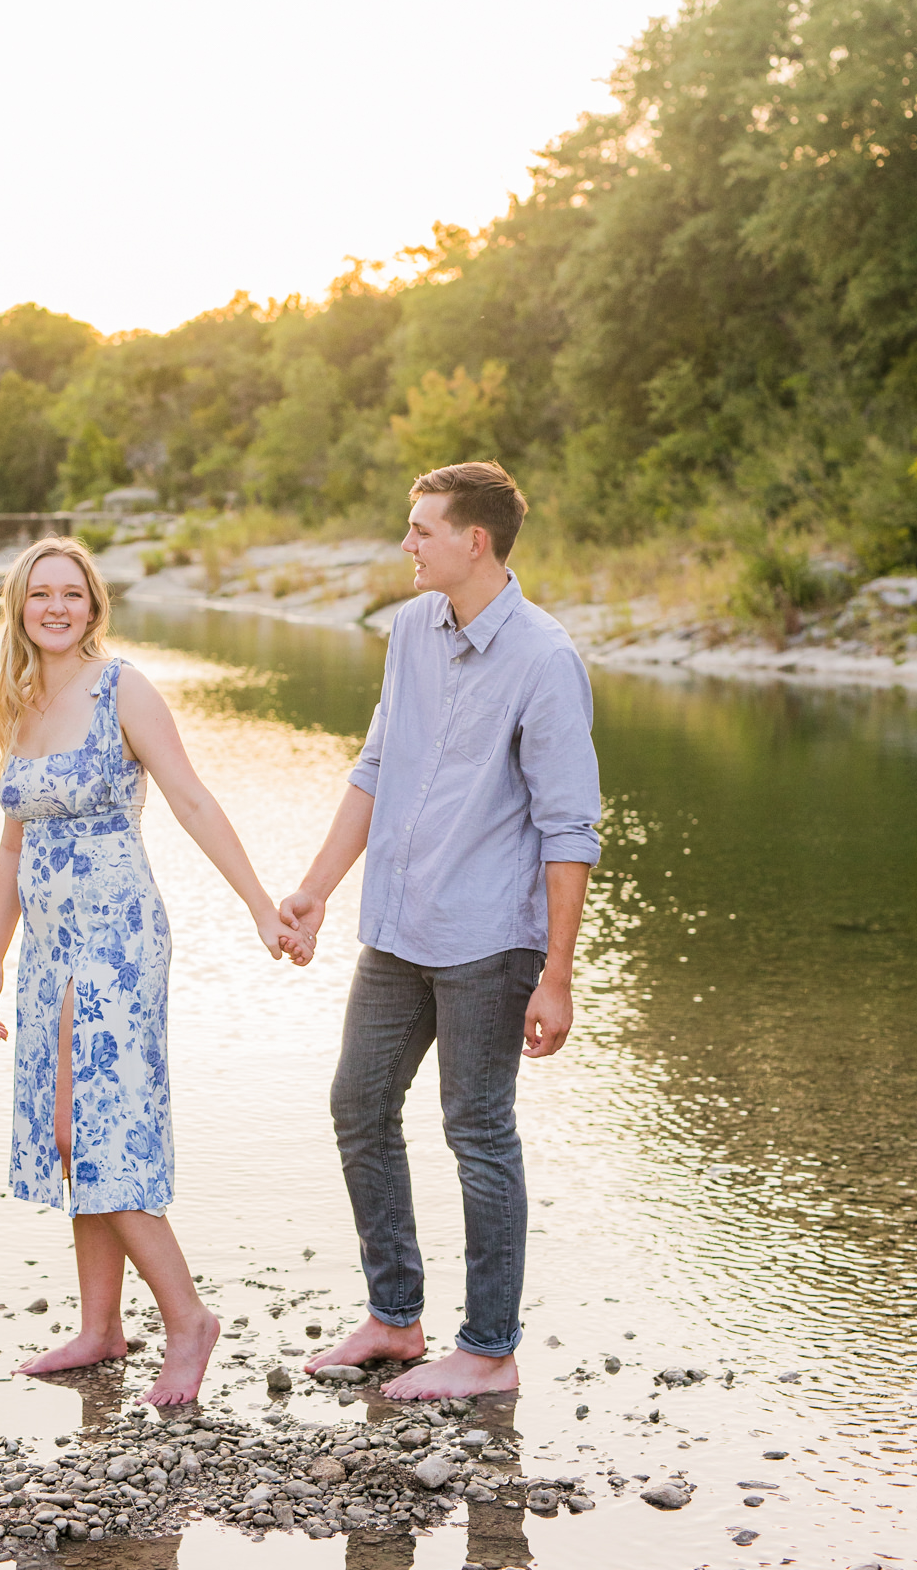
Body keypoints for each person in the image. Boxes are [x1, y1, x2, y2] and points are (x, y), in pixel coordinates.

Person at [278, 461, 601, 1400]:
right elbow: (377, 765)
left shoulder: (544, 659)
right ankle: (394, 1319)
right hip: (397, 929)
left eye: (421, 529)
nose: (405, 544)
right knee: (358, 1106)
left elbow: (568, 827)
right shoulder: (411, 629)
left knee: (478, 1132)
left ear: (475, 542)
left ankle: (490, 1350)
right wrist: (317, 888)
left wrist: (558, 973)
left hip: (488, 941)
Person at [0, 536, 288, 1406]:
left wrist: (260, 906)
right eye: (40, 594)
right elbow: (12, 845)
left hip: (114, 935)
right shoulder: (20, 701)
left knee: (91, 1126)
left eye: (71, 594)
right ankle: (100, 1328)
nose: (56, 608)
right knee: (73, 1130)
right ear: (20, 606)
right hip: (45, 947)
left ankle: (187, 1320)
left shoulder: (123, 689)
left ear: (93, 606)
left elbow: (188, 796)